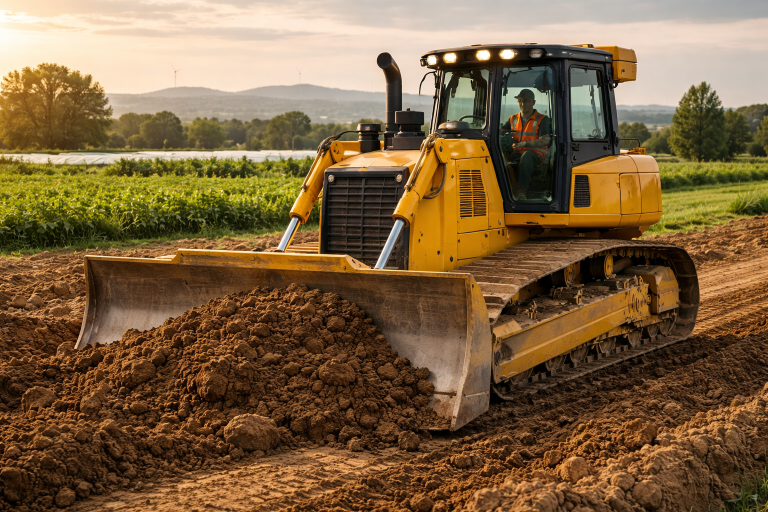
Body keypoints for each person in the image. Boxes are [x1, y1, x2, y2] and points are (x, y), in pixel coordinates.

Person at [500, 89, 552, 200]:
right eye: (520, 100)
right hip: (516, 153)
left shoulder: (542, 119)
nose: (522, 104)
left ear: (533, 102)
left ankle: (521, 192)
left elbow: (545, 140)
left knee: (527, 155)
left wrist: (526, 143)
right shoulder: (513, 119)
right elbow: (500, 131)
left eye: (526, 101)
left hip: (536, 155)